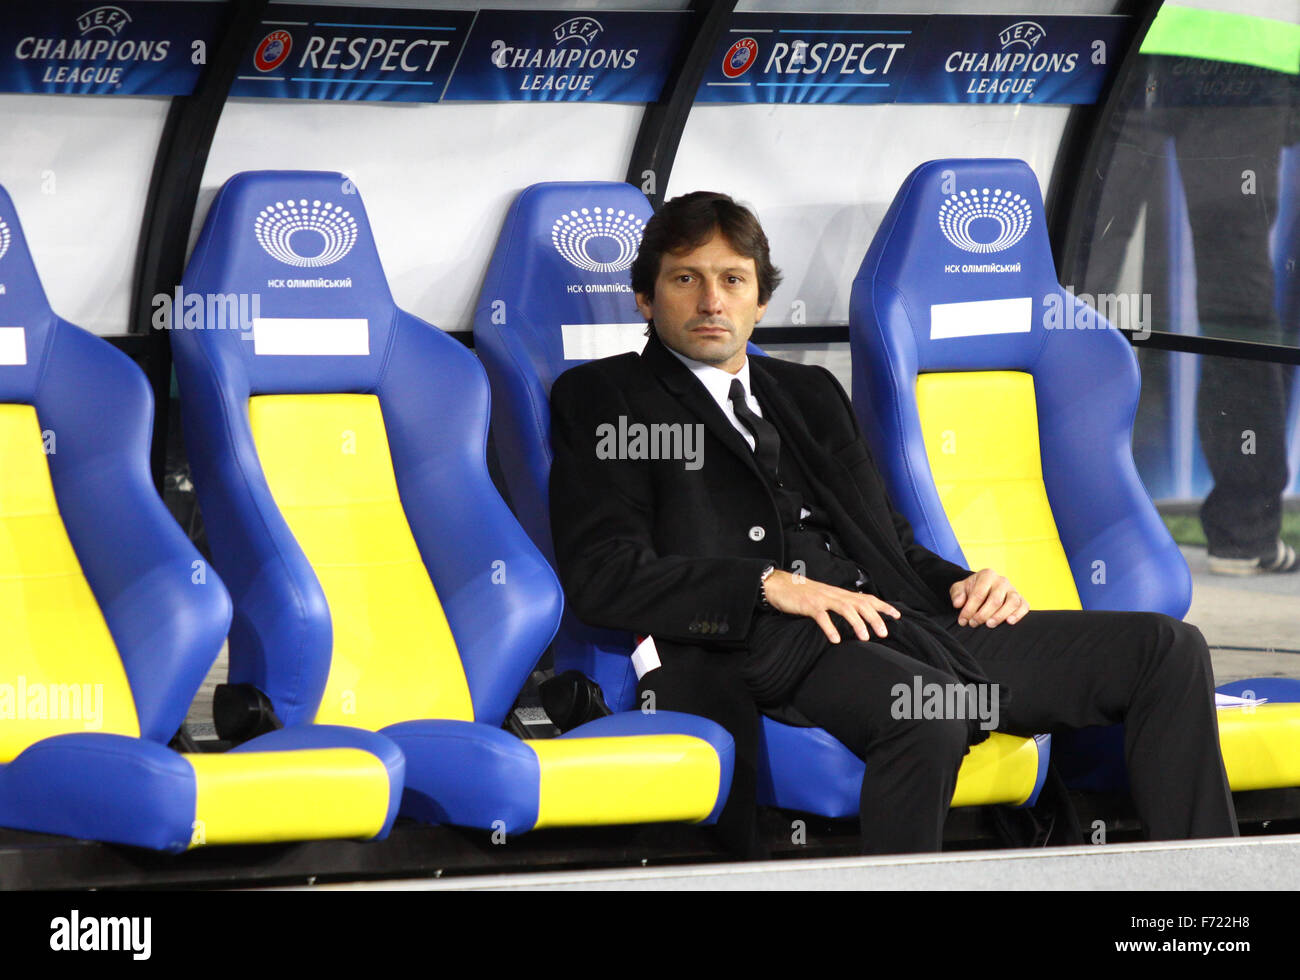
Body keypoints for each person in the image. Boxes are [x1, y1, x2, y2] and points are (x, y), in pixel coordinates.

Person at [547, 190, 1238, 857]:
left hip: (903, 623)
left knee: (1165, 650)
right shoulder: (605, 398)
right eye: (684, 279)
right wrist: (766, 585)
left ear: (761, 300)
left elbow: (889, 546)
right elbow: (604, 576)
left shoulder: (810, 394)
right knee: (928, 710)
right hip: (762, 645)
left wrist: (965, 585)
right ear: (644, 298)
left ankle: (1210, 914)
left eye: (732, 279)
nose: (711, 300)